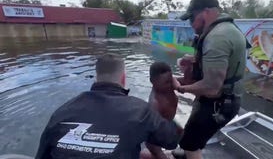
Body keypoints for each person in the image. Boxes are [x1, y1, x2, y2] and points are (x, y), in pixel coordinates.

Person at [35, 53, 181, 159]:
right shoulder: (141, 110)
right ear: (123, 78)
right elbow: (171, 141)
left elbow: (42, 155)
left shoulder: (62, 111)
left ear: (96, 75)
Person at [175, 0, 247, 159]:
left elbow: (211, 88)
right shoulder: (226, 29)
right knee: (194, 136)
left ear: (206, 12)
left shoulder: (217, 37)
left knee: (190, 144)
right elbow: (223, 62)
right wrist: (193, 59)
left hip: (218, 103)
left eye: (192, 18)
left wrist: (180, 87)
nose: (191, 24)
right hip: (225, 99)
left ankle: (192, 152)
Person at [144, 62, 179, 159]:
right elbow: (152, 127)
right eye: (166, 83)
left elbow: (184, 82)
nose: (170, 85)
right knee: (159, 154)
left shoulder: (168, 85)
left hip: (168, 124)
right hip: (156, 134)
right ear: (152, 81)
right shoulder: (155, 102)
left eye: (170, 80)